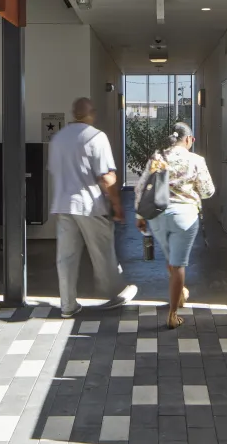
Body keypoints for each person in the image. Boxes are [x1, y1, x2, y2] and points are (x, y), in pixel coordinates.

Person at [49, 97, 137, 318]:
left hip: (63, 205)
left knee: (66, 258)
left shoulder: (58, 138)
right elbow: (107, 178)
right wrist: (118, 206)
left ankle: (67, 305)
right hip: (90, 205)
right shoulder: (96, 137)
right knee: (103, 252)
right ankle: (115, 292)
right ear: (91, 113)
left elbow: (55, 170)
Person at [135, 122, 215, 329]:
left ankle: (179, 293)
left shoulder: (158, 157)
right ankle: (173, 313)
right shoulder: (195, 160)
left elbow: (141, 186)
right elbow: (208, 191)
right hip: (185, 216)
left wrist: (139, 214)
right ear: (188, 139)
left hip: (158, 215)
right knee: (179, 264)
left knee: (171, 258)